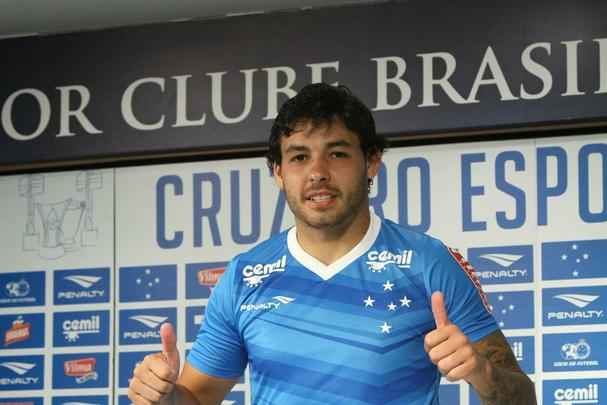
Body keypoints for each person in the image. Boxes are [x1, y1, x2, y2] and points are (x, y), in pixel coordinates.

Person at [128, 83, 536, 404]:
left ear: (371, 161)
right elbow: (195, 399)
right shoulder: (243, 277)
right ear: (277, 172)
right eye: (299, 157)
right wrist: (164, 397)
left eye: (337, 153)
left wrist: (482, 372)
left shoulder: (429, 262)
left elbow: (523, 398)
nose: (317, 173)